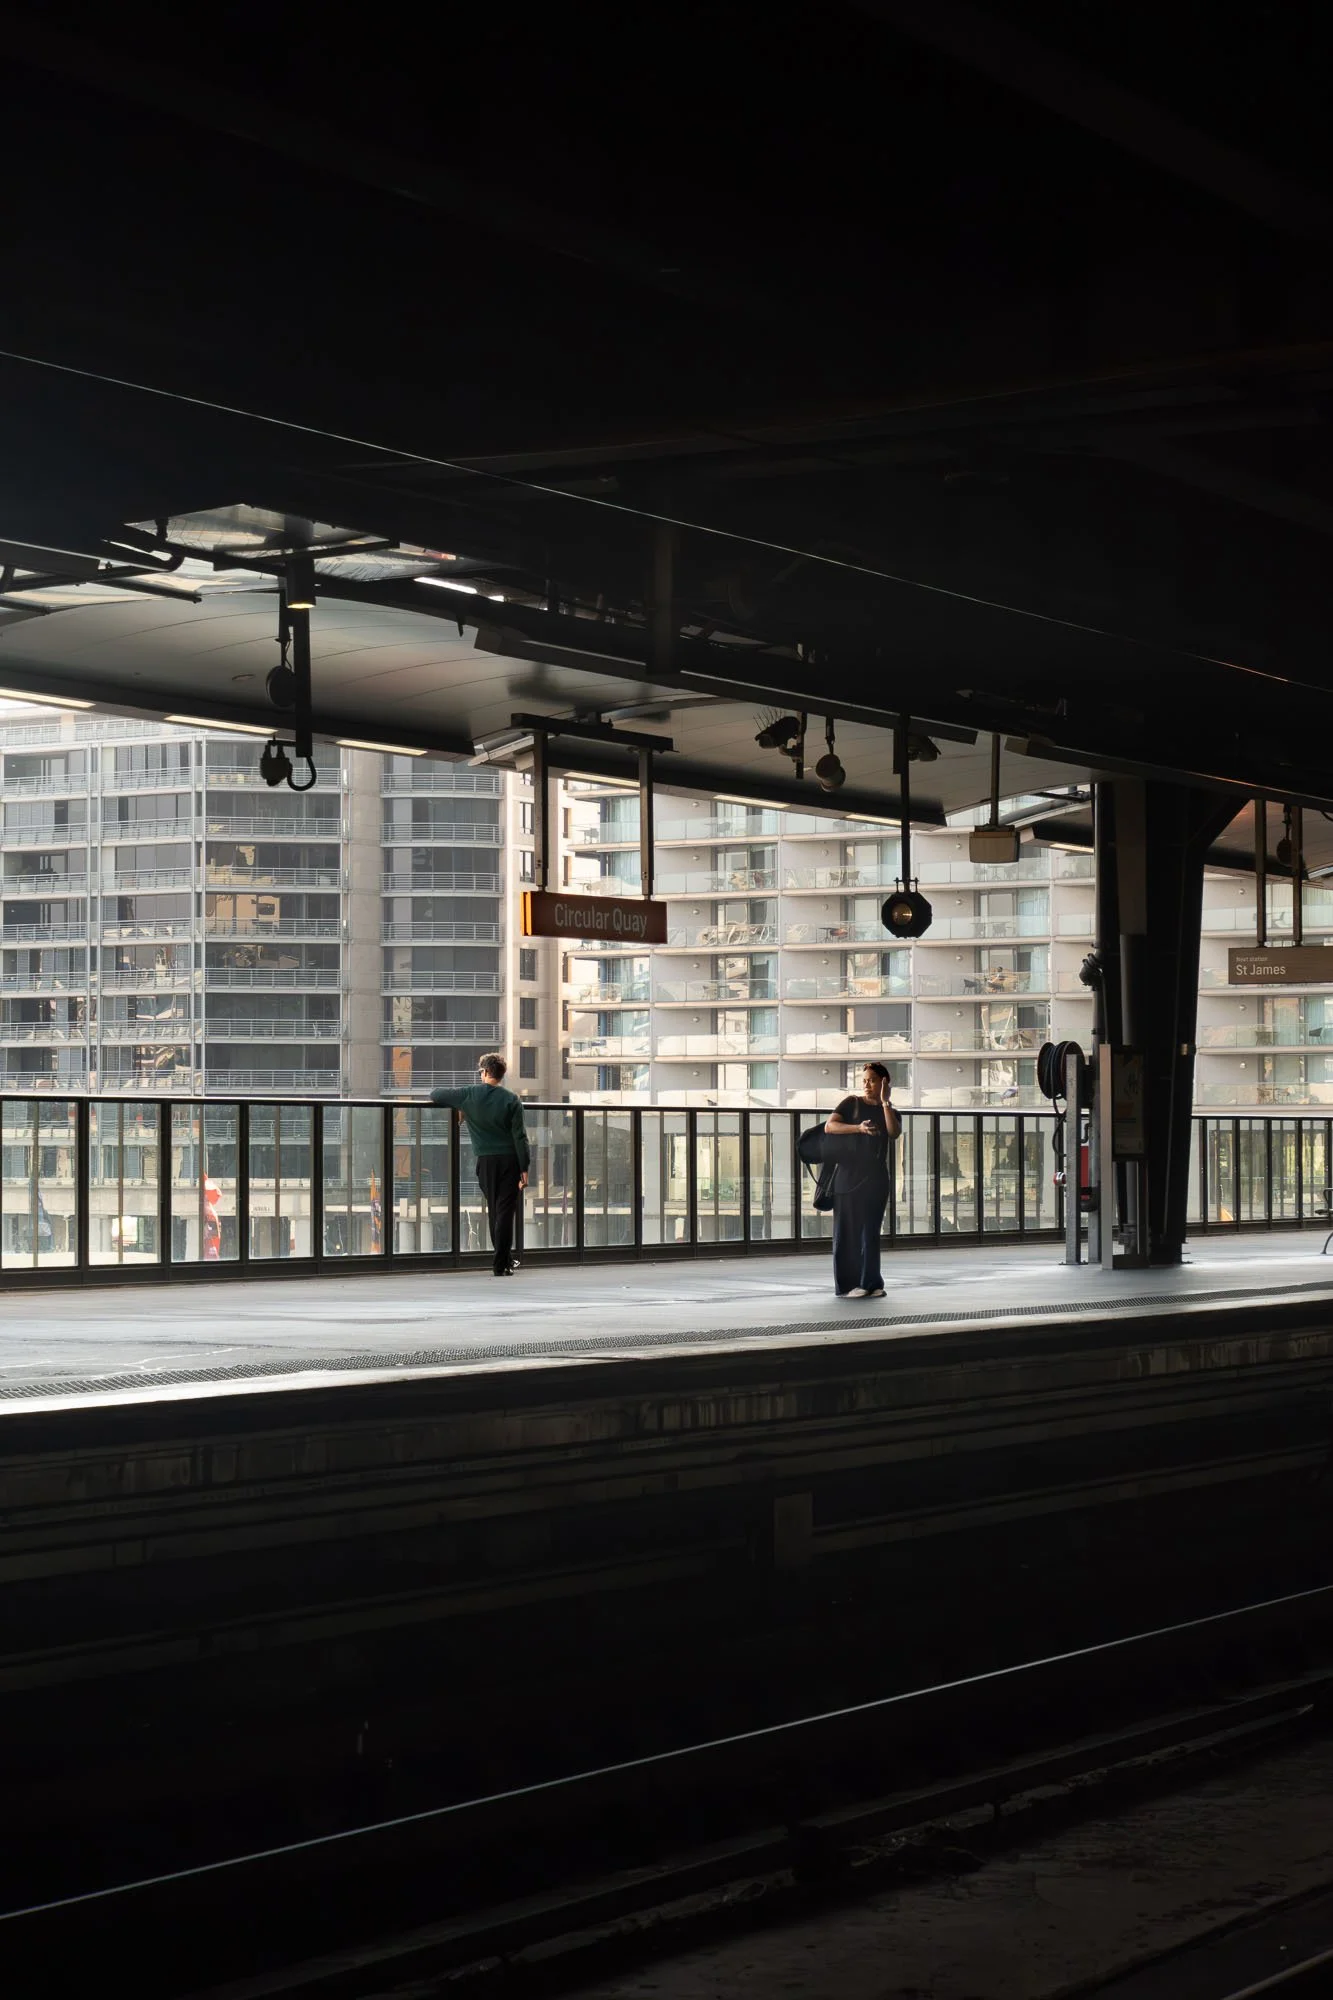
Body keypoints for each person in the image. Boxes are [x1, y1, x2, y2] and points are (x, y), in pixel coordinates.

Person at [430, 1054, 530, 1276]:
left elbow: (435, 1094)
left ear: (485, 1072)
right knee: (505, 1211)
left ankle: (502, 1261)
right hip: (510, 1161)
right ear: (501, 1075)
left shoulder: (469, 1095)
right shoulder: (512, 1099)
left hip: (485, 1162)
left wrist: (464, 1109)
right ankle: (501, 1263)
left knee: (495, 1211)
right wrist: (524, 1167)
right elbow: (520, 1136)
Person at [824, 1061, 901, 1299]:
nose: (867, 1085)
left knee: (871, 1232)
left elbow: (893, 1132)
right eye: (865, 1080)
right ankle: (848, 1285)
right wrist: (858, 1128)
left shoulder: (890, 1110)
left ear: (884, 1083)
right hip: (848, 1176)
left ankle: (871, 1282)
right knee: (847, 1231)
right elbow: (830, 1126)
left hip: (876, 1177)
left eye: (873, 1080)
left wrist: (886, 1101)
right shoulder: (851, 1103)